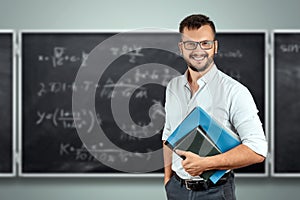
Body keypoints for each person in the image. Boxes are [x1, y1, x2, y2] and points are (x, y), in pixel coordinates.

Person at [162, 14, 268, 200]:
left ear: (215, 47)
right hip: (176, 189)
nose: (198, 50)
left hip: (215, 191)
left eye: (205, 43)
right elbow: (168, 135)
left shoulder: (234, 92)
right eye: (190, 44)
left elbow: (257, 150)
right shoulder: (173, 87)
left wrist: (206, 164)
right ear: (181, 48)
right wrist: (168, 179)